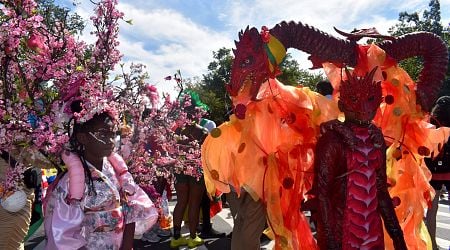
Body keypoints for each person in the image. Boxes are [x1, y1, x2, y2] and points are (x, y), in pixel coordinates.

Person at [313, 68, 407, 249]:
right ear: (342, 105)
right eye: (355, 100)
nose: (363, 108)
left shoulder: (376, 137)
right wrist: (330, 240)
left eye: (370, 100)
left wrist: (397, 236)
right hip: (341, 234)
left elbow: (380, 189)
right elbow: (322, 194)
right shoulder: (332, 140)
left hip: (372, 234)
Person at [44, 112, 158, 249]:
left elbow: (130, 208)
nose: (110, 141)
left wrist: (126, 246)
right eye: (103, 134)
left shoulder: (117, 170)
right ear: (83, 138)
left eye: (112, 134)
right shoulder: (72, 181)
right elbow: (64, 233)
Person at [170, 123, 207, 248]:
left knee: (181, 202)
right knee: (194, 203)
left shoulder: (176, 131)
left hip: (179, 169)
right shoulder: (203, 132)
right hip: (197, 170)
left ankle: (176, 237)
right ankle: (192, 237)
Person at [424, 96, 450, 250]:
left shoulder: (430, 123)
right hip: (448, 171)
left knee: (432, 211)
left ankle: (432, 244)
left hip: (432, 173)